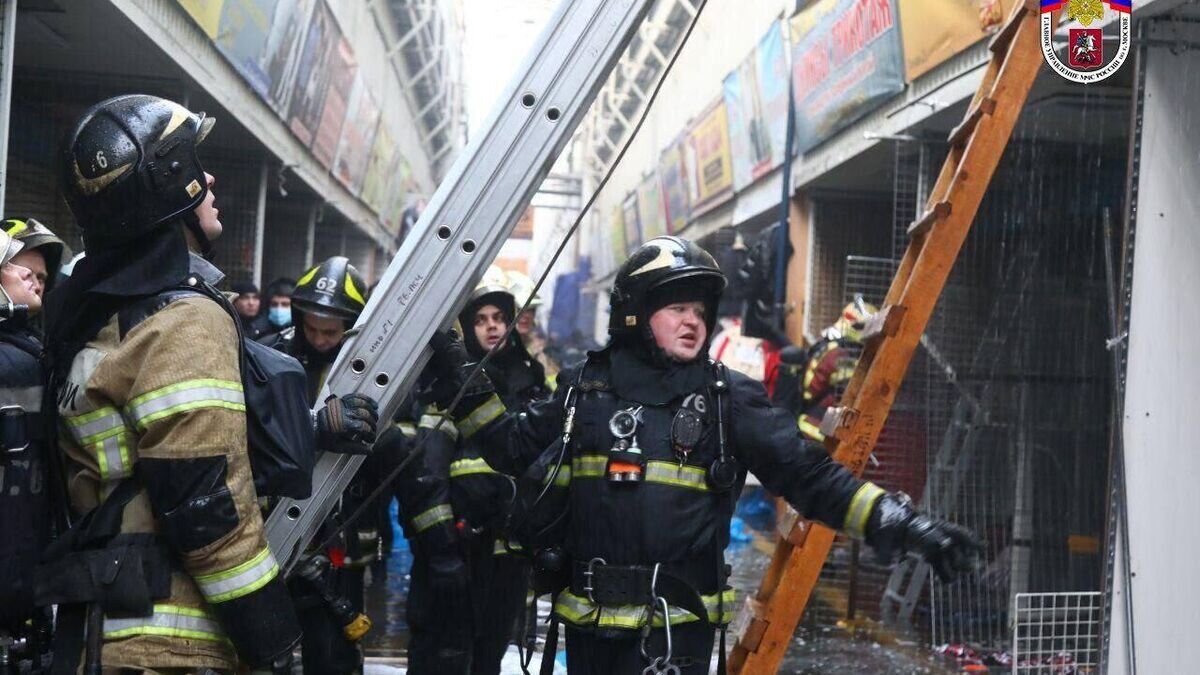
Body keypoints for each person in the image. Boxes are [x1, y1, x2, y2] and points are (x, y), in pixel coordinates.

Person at [426, 236, 982, 675]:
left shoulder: (728, 399)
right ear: (635, 313)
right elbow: (511, 446)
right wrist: (456, 366)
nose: (694, 320)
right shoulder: (583, 386)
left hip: (674, 634)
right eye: (676, 308)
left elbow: (810, 477)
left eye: (700, 309)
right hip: (588, 629)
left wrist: (904, 524)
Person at [42, 94, 376, 674]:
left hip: (105, 630)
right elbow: (206, 507)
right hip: (171, 647)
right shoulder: (183, 321)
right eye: (196, 165)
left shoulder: (97, 313)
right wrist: (271, 637)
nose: (211, 177)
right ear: (169, 189)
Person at [264, 256, 380, 674]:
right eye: (311, 328)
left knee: (333, 657)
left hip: (339, 542)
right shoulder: (269, 355)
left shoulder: (372, 367)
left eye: (331, 331)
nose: (320, 339)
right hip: (272, 527)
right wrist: (313, 426)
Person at [0, 221, 67, 672]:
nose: (34, 279)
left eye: (42, 277)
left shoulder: (32, 353)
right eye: (19, 267)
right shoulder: (18, 361)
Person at [797, 297, 875, 442]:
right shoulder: (840, 354)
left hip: (811, 421)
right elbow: (855, 387)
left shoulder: (829, 343)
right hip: (818, 427)